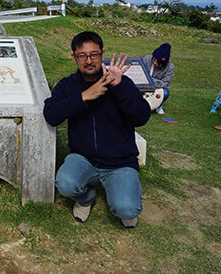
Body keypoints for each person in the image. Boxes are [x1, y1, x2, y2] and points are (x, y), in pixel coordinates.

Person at [43, 31, 150, 228]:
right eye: (82, 55)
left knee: (127, 210)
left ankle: (123, 195)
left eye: (94, 54)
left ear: (102, 54)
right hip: (84, 158)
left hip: (120, 162)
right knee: (65, 184)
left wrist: (119, 88)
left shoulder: (121, 82)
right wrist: (83, 96)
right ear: (74, 57)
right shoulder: (68, 85)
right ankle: (86, 197)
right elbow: (51, 114)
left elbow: (142, 117)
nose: (89, 60)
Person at [143, 43, 174, 115]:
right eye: (153, 60)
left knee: (165, 92)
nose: (154, 62)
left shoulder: (170, 67)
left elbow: (165, 83)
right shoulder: (146, 59)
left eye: (156, 62)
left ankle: (158, 105)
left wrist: (149, 79)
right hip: (143, 86)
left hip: (157, 88)